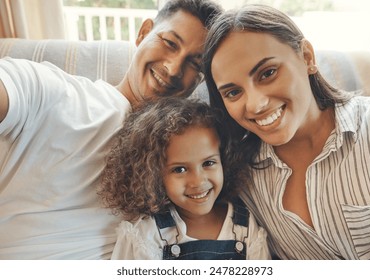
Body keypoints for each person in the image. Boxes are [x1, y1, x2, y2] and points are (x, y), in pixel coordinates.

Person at [0, 0, 223, 259]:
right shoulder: (54, 92)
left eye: (194, 64)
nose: (173, 69)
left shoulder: (191, 150)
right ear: (143, 33)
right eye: (169, 43)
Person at [202, 4, 370, 260]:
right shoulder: (238, 174)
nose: (256, 104)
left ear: (307, 57)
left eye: (267, 73)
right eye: (233, 92)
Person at [98, 97, 270, 260]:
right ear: (153, 175)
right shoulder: (148, 235)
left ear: (224, 160)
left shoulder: (244, 227)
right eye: (179, 169)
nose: (198, 181)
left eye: (208, 163)